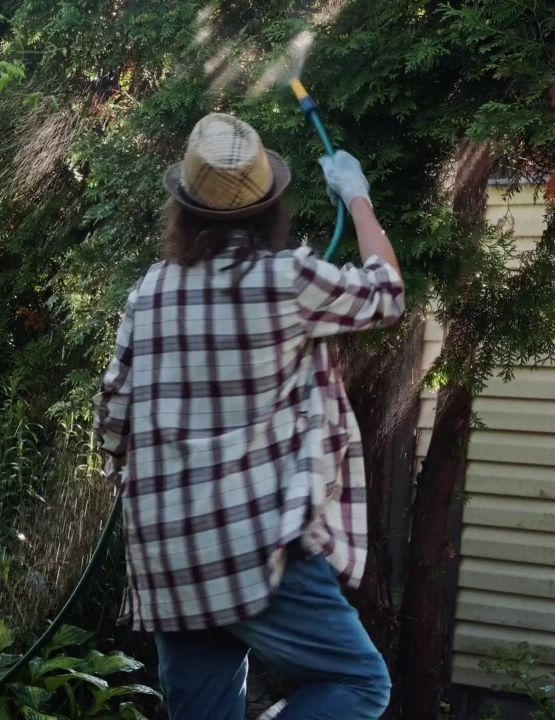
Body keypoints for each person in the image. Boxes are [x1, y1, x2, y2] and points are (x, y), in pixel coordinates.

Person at [93, 112, 405, 720]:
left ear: (183, 209)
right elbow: (386, 293)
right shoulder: (288, 280)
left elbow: (113, 417)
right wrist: (358, 198)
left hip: (170, 552)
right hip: (255, 546)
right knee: (360, 683)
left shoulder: (148, 291)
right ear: (270, 207)